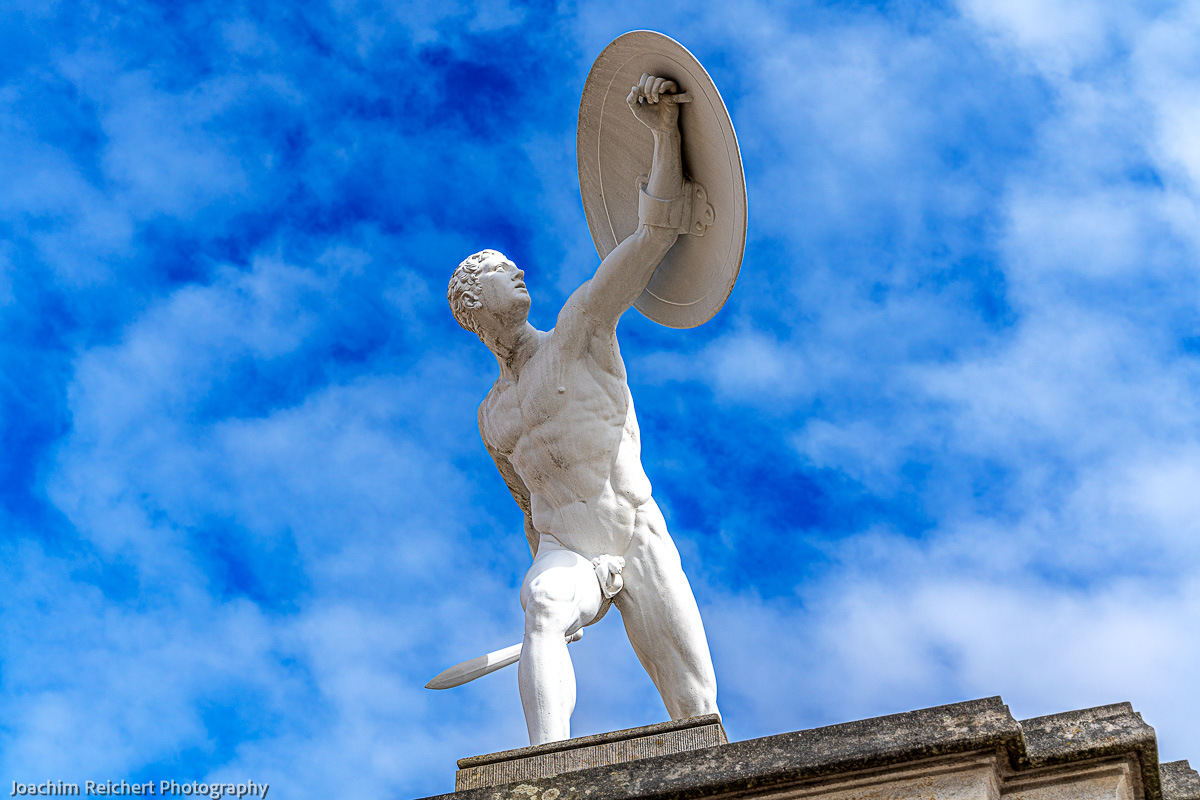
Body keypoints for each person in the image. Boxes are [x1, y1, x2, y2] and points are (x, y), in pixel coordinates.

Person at [447, 74, 719, 745]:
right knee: (541, 603)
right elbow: (530, 512)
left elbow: (657, 231)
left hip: (635, 534)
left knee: (695, 708)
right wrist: (569, 591)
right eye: (497, 270)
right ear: (471, 305)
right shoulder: (492, 418)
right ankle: (546, 767)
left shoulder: (580, 327)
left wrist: (664, 130)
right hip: (569, 550)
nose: (517, 272)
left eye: (514, 264)